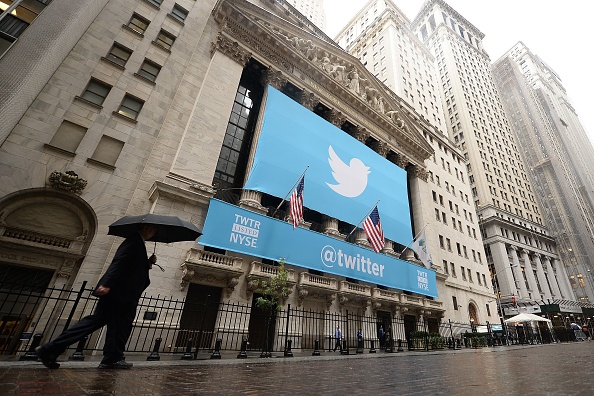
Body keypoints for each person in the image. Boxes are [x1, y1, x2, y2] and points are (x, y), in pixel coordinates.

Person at [36, 224, 158, 369]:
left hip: (121, 293)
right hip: (121, 294)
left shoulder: (137, 243)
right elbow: (119, 262)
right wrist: (107, 283)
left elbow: (131, 266)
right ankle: (111, 358)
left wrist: (148, 263)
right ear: (146, 228)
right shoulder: (133, 241)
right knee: (119, 326)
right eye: (152, 229)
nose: (153, 232)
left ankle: (51, 349)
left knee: (103, 323)